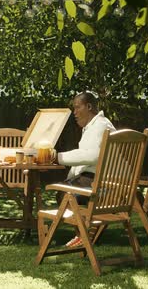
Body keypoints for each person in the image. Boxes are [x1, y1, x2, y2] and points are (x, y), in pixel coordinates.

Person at [56, 91, 116, 247]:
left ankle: (84, 235)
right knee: (65, 190)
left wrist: (57, 157)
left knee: (64, 193)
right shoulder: (96, 126)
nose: (74, 113)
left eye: (77, 108)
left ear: (89, 106)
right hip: (108, 181)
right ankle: (85, 234)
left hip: (106, 186)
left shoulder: (100, 126)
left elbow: (91, 156)